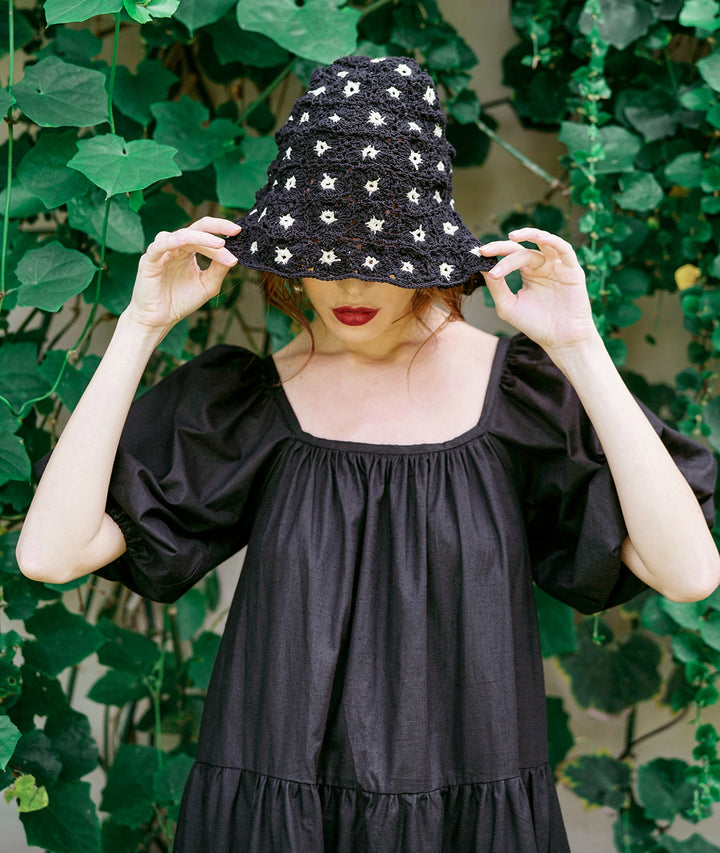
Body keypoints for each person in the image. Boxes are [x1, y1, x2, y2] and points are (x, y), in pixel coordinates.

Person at [16, 55, 720, 852]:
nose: (350, 282)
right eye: (325, 247)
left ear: (424, 250)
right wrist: (140, 327)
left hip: (466, 826)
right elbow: (50, 553)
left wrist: (580, 348)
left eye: (376, 248)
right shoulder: (250, 402)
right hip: (278, 827)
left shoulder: (521, 399)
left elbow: (688, 571)